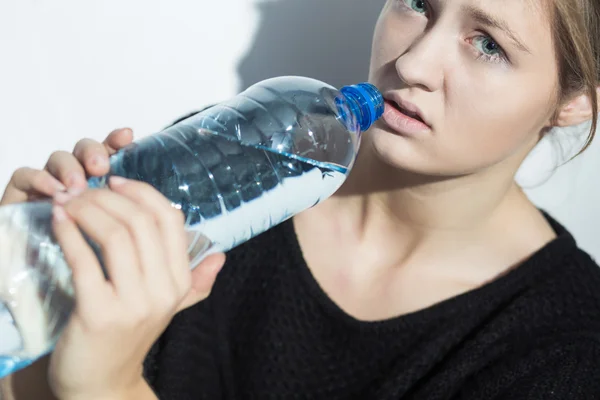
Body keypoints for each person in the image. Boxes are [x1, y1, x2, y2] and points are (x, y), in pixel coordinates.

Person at [2, 0, 600, 398]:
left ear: (573, 101)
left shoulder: (564, 355)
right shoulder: (232, 165)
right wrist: (33, 295)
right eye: (418, 1)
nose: (413, 62)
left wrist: (109, 387)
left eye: (488, 45)